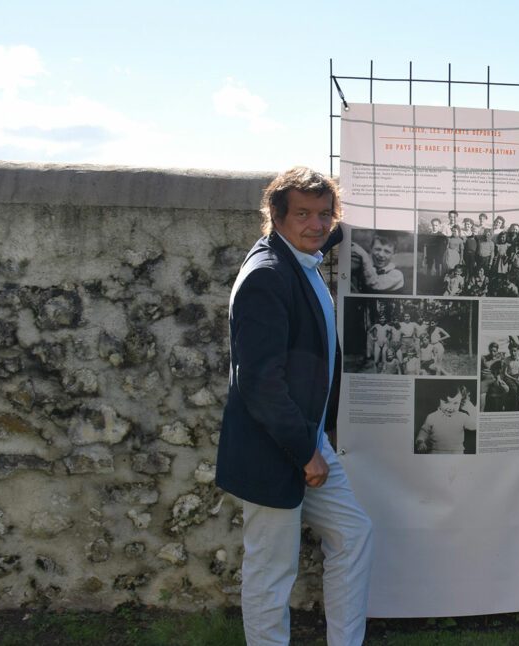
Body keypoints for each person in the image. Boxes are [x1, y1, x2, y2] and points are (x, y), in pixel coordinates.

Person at [216, 166, 373, 646]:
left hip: (308, 440)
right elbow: (260, 383)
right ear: (275, 216)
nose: (317, 224)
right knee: (271, 570)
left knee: (353, 534)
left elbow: (327, 233)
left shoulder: (300, 255)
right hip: (275, 449)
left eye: (325, 214)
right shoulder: (267, 276)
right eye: (302, 214)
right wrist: (306, 451)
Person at [415, 386, 477, 454]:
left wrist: (470, 408)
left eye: (455, 403)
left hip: (457, 453)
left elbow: (474, 426)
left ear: (461, 402)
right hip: (435, 452)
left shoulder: (463, 416)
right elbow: (424, 431)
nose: (451, 407)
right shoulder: (432, 417)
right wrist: (420, 442)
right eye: (446, 402)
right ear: (439, 400)